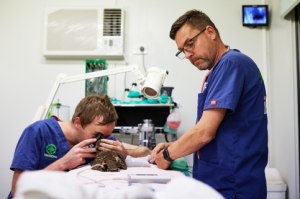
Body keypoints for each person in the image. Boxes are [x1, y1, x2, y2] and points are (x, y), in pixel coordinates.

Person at [150, 10, 268, 199]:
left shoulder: (231, 64)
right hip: (221, 181)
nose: (187, 55)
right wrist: (176, 144)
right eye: (183, 51)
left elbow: (204, 133)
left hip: (233, 185)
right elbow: (209, 126)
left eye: (190, 44)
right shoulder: (221, 69)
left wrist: (167, 154)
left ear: (210, 32)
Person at [8, 94, 151, 198]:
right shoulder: (38, 132)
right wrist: (63, 163)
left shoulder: (100, 141)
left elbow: (145, 151)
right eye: (98, 135)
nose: (101, 141)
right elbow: (17, 189)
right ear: (78, 123)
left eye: (106, 136)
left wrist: (124, 153)